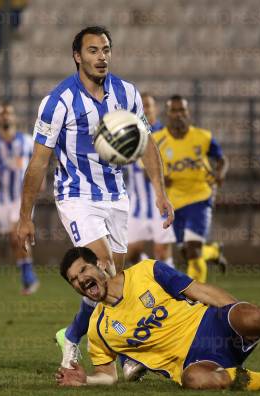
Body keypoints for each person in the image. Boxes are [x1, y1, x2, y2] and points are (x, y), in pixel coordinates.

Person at [17, 26, 173, 370]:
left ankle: (71, 337)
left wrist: (160, 193)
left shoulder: (128, 93)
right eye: (92, 51)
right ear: (77, 56)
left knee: (115, 280)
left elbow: (145, 144)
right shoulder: (58, 102)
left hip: (117, 196)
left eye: (105, 50)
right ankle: (128, 353)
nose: (101, 57)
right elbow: (38, 161)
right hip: (76, 196)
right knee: (103, 270)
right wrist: (25, 217)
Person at [54, 247, 260, 390]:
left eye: (83, 269)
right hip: (193, 362)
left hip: (210, 325)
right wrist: (85, 380)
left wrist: (235, 312)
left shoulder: (147, 271)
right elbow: (107, 375)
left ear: (99, 264)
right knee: (198, 382)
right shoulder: (98, 330)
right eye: (74, 279)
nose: (81, 280)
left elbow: (199, 290)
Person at [153, 95, 228, 283]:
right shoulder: (156, 140)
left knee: (193, 250)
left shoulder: (203, 137)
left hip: (200, 197)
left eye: (182, 110)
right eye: (174, 111)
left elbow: (222, 159)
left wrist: (220, 173)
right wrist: (162, 180)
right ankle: (213, 251)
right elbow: (150, 168)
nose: (179, 115)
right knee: (187, 253)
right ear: (168, 114)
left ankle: (198, 298)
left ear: (188, 113)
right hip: (174, 203)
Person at [0, 103, 39, 295]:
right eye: (1, 115)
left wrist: (38, 181)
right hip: (2, 199)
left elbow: (37, 163)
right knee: (13, 240)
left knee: (17, 234)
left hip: (22, 197)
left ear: (14, 118)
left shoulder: (27, 141)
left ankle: (29, 278)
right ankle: (27, 276)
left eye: (8, 114)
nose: (5, 118)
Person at [125, 93, 176, 267]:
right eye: (142, 106)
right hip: (136, 204)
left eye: (148, 105)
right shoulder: (129, 135)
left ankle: (174, 290)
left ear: (155, 108)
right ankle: (153, 273)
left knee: (161, 251)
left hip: (159, 202)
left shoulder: (165, 135)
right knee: (130, 252)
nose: (145, 109)